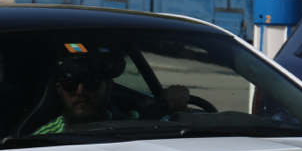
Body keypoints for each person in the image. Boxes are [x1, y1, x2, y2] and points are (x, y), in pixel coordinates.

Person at [34, 49, 190, 135]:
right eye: (71, 84)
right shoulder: (43, 139)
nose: (80, 91)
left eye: (91, 82)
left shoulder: (133, 121)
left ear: (109, 87)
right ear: (59, 90)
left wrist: (179, 111)